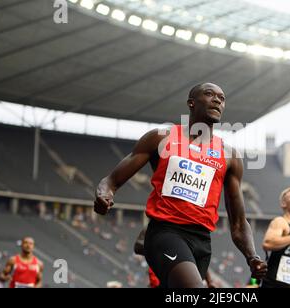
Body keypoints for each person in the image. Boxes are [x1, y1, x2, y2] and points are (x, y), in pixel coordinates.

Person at [95, 82, 267, 288]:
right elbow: (112, 180)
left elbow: (238, 223)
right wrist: (105, 193)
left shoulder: (229, 156)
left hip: (202, 242)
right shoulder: (161, 138)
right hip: (165, 232)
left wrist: (252, 257)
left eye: (222, 98)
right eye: (210, 94)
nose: (217, 100)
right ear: (191, 103)